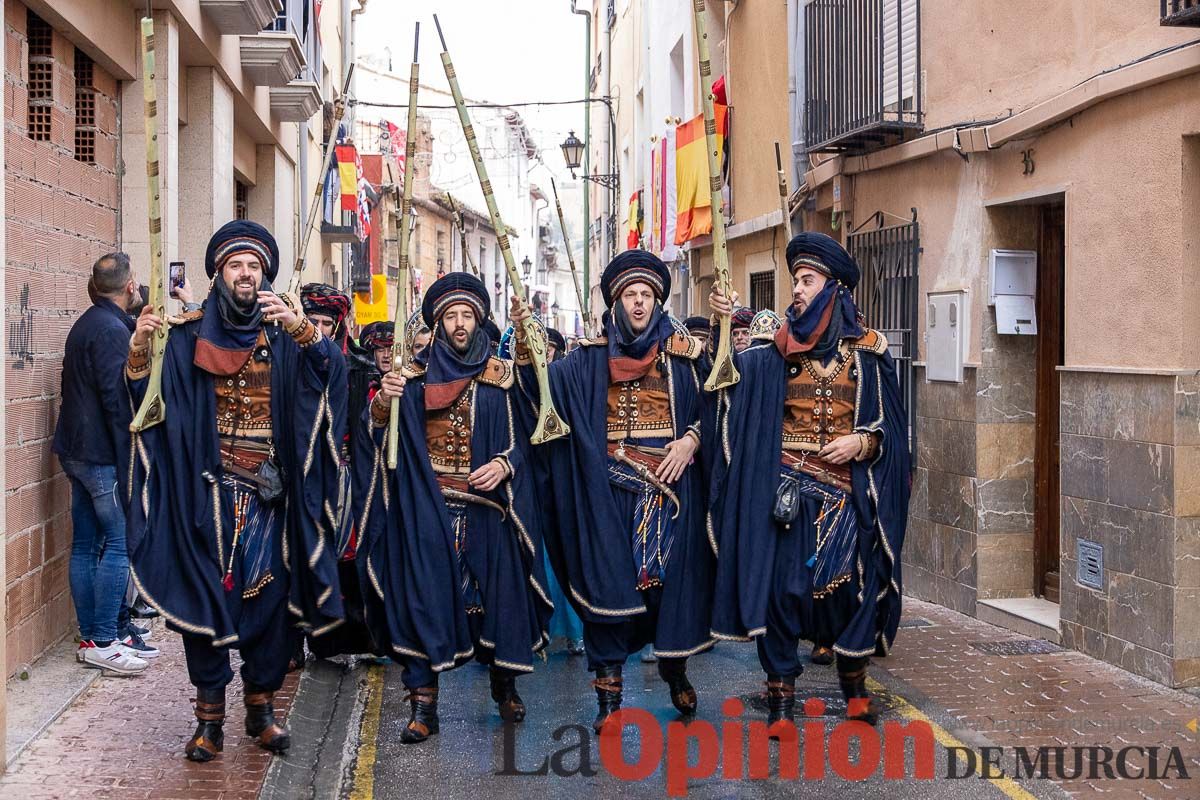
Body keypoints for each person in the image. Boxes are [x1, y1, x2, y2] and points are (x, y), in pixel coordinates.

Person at [127, 220, 346, 761]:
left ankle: (261, 711)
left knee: (269, 605)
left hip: (270, 497)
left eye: (253, 267)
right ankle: (208, 721)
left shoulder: (284, 335)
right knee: (208, 601)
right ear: (219, 274)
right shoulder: (184, 336)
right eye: (235, 266)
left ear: (264, 275)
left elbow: (334, 377)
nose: (245, 274)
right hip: (206, 496)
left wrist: (306, 333)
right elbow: (143, 400)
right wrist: (137, 352)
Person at [708, 232, 910, 727]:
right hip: (788, 500)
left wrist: (862, 442)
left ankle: (855, 689)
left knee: (853, 595)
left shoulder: (868, 354)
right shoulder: (774, 352)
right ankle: (779, 700)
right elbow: (724, 379)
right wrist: (722, 323)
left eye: (807, 280)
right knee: (782, 594)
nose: (796, 289)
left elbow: (893, 429)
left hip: (846, 500)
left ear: (835, 289)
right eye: (795, 280)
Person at [510, 250, 714, 732]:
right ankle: (608, 698)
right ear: (617, 303)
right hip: (605, 500)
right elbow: (538, 397)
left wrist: (691, 439)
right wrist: (525, 346)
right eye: (630, 296)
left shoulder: (685, 360)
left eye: (647, 296)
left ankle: (674, 667)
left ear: (659, 303)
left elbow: (723, 404)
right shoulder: (585, 362)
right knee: (608, 595)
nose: (639, 304)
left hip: (669, 497)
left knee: (666, 596)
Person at [359, 273, 552, 743]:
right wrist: (384, 401)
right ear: (438, 324)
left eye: (467, 315)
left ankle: (503, 683)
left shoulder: (500, 377)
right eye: (451, 316)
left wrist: (505, 465)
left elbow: (533, 433)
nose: (460, 324)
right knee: (424, 600)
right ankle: (423, 704)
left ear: (480, 320)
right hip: (428, 508)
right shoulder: (412, 378)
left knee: (496, 604)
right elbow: (377, 432)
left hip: (488, 508)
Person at [52, 252, 152, 676]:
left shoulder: (88, 322)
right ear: (129, 287)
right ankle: (105, 640)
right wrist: (129, 453)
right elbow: (116, 399)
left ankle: (93, 637)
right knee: (118, 542)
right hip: (100, 455)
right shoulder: (112, 331)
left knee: (86, 543)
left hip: (76, 450)